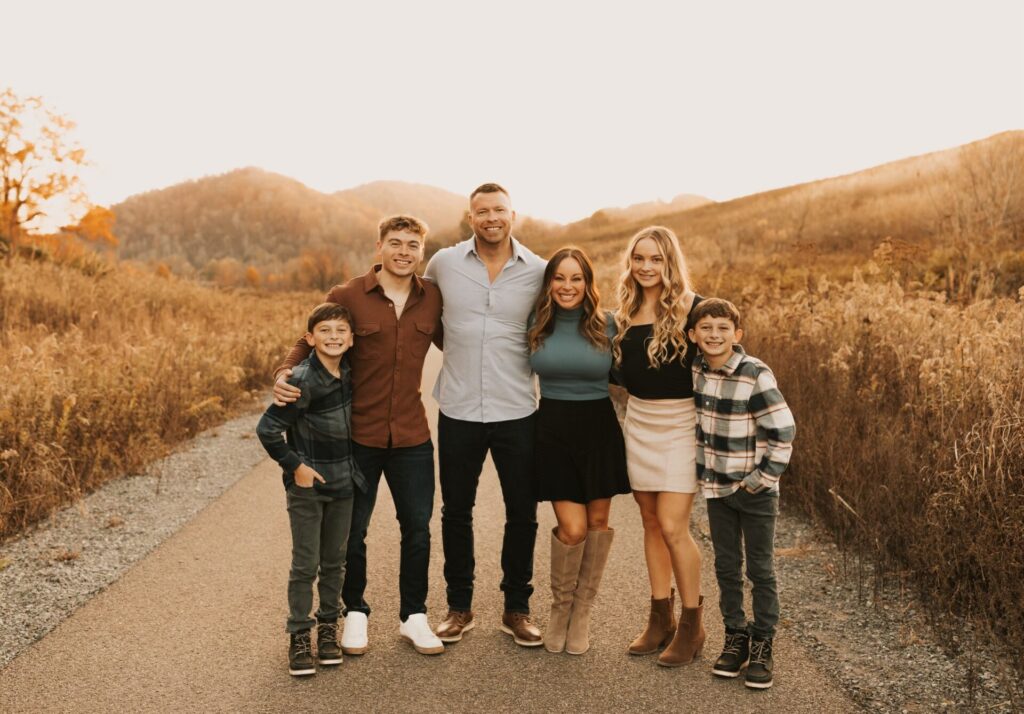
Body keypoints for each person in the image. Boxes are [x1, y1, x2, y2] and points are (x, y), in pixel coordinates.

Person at [272, 216, 444, 656]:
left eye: (412, 245)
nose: (403, 251)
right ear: (380, 246)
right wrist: (285, 373)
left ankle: (414, 617)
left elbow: (461, 341)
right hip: (358, 438)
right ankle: (355, 613)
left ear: (421, 251)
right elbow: (308, 337)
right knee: (353, 533)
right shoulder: (348, 295)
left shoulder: (433, 298)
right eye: (395, 243)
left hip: (412, 436)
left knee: (418, 530)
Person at [423, 183, 547, 647]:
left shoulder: (538, 269)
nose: (491, 217)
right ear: (470, 216)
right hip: (457, 408)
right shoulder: (444, 263)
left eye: (499, 209)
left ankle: (517, 608)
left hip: (517, 409)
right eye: (482, 211)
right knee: (456, 511)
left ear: (513, 213)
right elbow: (426, 320)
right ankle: (459, 607)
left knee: (523, 511)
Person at [527, 246, 630, 655]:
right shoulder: (535, 324)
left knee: (597, 523)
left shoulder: (607, 325)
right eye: (559, 278)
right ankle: (560, 608)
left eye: (576, 278)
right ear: (549, 282)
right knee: (571, 528)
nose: (567, 286)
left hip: (598, 429)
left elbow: (635, 373)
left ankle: (582, 612)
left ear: (588, 283)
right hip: (552, 428)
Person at [688, 298, 795, 690]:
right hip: (717, 489)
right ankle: (736, 637)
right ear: (693, 336)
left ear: (738, 334)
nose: (714, 335)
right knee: (726, 568)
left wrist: (760, 479)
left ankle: (764, 641)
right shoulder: (697, 371)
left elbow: (783, 430)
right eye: (706, 328)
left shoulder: (754, 374)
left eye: (722, 328)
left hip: (755, 492)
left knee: (761, 570)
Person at [611, 225, 705, 667]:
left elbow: (726, 354)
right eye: (639, 259)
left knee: (672, 525)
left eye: (655, 260)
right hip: (641, 421)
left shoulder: (694, 309)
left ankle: (692, 624)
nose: (646, 267)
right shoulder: (623, 313)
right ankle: (659, 616)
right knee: (650, 521)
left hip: (681, 424)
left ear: (670, 262)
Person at [256, 302, 365, 676]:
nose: (333, 337)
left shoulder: (351, 374)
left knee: (335, 562)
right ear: (309, 338)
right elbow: (267, 430)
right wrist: (296, 467)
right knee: (306, 564)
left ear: (351, 340)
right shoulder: (301, 380)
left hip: (345, 484)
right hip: (308, 487)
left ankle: (328, 630)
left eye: (340, 332)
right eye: (325, 331)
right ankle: (300, 634)